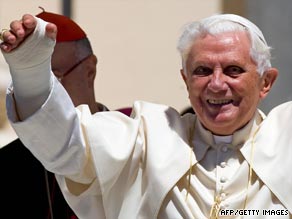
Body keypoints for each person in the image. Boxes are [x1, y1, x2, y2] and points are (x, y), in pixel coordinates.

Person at [1, 12, 292, 219]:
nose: (216, 84)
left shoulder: (286, 138)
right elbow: (64, 143)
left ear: (265, 82)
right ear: (186, 79)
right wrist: (32, 74)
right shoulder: (147, 135)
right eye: (202, 71)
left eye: (233, 70)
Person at [0, 9, 108, 219]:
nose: (44, 96)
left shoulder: (130, 142)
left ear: (90, 70)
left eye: (55, 79)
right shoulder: (7, 169)